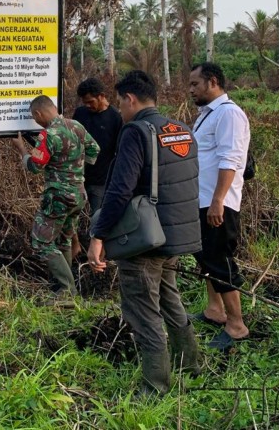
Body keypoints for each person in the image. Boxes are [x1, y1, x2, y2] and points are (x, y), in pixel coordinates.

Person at [87, 71, 201, 395]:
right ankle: (189, 367)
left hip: (145, 240)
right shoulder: (181, 129)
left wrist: (99, 235)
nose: (120, 110)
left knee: (143, 313)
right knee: (170, 302)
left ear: (129, 99)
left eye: (120, 103)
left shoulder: (136, 131)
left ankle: (155, 387)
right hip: (174, 237)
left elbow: (120, 190)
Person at [189, 62, 251, 350]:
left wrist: (218, 201)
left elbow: (231, 159)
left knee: (219, 259)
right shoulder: (206, 115)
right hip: (202, 200)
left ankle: (236, 325)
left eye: (195, 84)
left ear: (212, 81)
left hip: (217, 204)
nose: (191, 90)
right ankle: (215, 311)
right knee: (206, 258)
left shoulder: (229, 114)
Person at [12, 95, 100, 299]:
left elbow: (35, 166)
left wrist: (22, 149)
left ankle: (66, 289)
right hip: (78, 193)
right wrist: (75, 165)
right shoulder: (76, 125)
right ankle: (62, 290)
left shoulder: (48, 135)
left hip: (58, 197)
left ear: (38, 114)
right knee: (64, 240)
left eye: (35, 118)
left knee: (41, 242)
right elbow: (95, 149)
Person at [73, 78, 123, 213]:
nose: (88, 105)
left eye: (90, 102)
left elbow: (119, 151)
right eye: (85, 103)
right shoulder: (80, 113)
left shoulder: (115, 118)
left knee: (98, 216)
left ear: (101, 96)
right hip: (77, 176)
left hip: (101, 180)